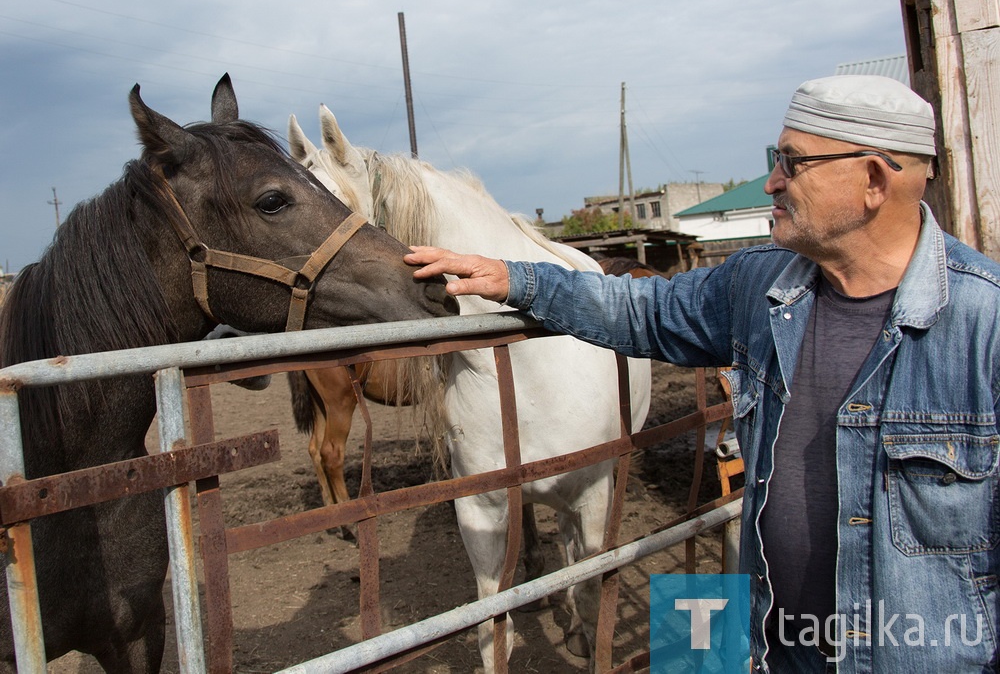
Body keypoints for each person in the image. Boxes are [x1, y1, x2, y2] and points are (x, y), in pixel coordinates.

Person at [405, 75, 1000, 673]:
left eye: (791, 163)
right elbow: (639, 308)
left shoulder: (986, 328)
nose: (772, 182)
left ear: (873, 180)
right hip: (769, 647)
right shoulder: (761, 281)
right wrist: (515, 278)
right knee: (694, 642)